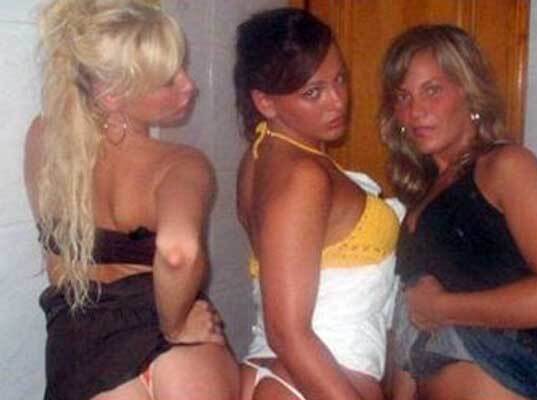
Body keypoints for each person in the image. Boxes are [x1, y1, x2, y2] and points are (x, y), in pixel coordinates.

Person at [24, 1, 238, 399]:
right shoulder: (180, 164)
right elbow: (178, 252)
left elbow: (57, 251)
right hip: (179, 347)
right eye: (167, 80)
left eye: (182, 67)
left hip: (85, 351)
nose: (189, 85)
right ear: (111, 95)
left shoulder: (43, 140)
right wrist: (175, 326)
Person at [379, 24, 537, 400]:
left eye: (432, 90)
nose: (414, 111)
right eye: (403, 96)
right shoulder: (424, 193)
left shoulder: (505, 165)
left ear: (469, 91)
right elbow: (412, 326)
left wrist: (443, 307)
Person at [234, 7, 404, 400]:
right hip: (318, 380)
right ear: (265, 101)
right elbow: (286, 331)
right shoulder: (303, 176)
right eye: (313, 92)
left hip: (284, 375)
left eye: (340, 79)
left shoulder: (261, 154)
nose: (337, 102)